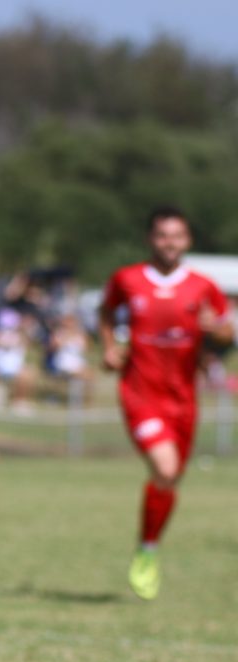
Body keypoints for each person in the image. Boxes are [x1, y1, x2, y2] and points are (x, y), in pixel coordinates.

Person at [98, 206, 233, 601]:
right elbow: (106, 311)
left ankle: (147, 549)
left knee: (170, 480)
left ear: (187, 241)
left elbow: (225, 332)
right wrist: (109, 347)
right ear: (150, 239)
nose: (169, 243)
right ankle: (148, 550)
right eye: (161, 235)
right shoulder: (127, 279)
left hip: (184, 399)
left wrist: (218, 331)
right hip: (141, 393)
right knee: (165, 465)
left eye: (176, 236)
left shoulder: (203, 286)